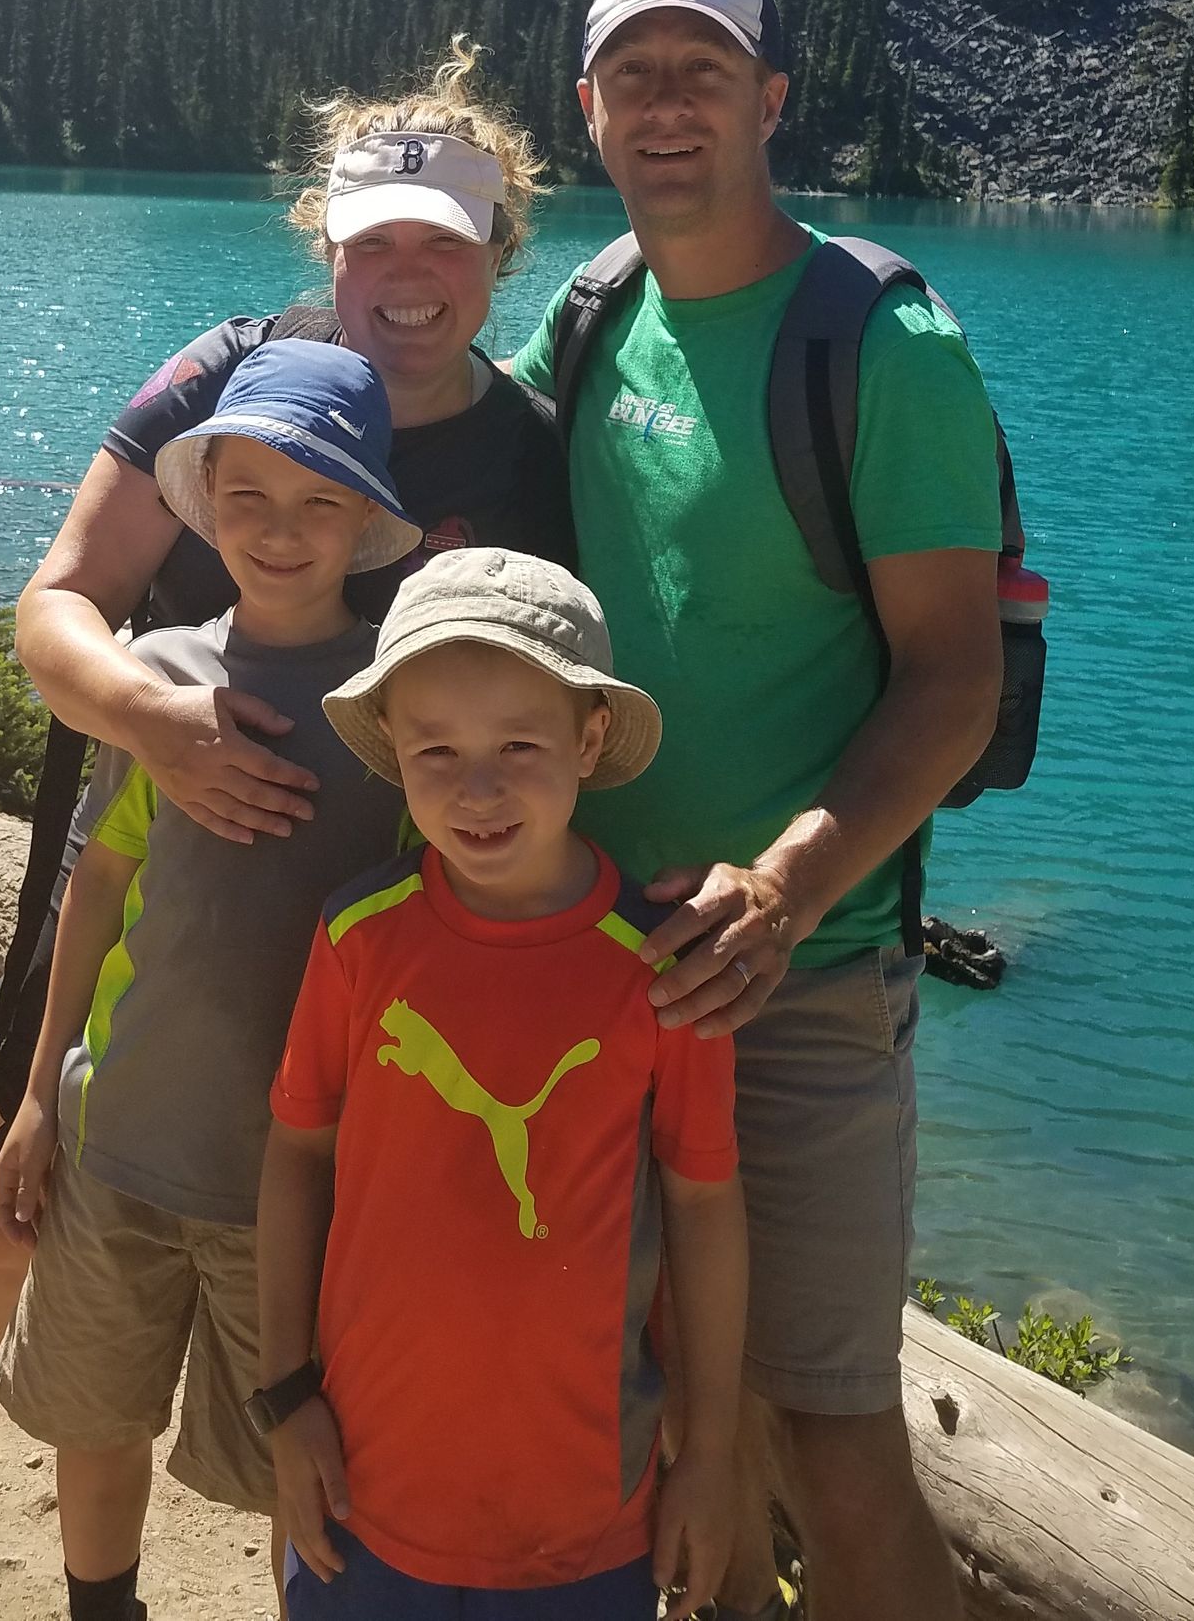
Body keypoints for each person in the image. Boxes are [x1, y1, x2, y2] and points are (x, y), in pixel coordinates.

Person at [0, 46, 572, 1621]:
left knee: (316, 1296)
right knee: (19, 1199)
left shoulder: (528, 450)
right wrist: (157, 719)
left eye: (446, 242)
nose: (407, 275)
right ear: (325, 236)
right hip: (145, 872)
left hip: (357, 952)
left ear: (499, 255)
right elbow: (59, 598)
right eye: (374, 238)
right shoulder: (224, 372)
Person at [508, 0, 1005, 1621]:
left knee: (829, 1437)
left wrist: (786, 890)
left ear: (770, 98)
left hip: (800, 978)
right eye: (633, 74)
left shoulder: (885, 342)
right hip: (594, 957)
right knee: (661, 1410)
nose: (667, 105)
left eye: (702, 71)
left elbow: (954, 677)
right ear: (588, 107)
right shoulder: (591, 315)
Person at [0, 341, 421, 1621]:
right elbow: (97, 889)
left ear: (367, 518)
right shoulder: (157, 678)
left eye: (318, 502)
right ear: (203, 504)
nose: (278, 531)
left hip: (291, 1184)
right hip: (116, 1135)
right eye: (247, 498)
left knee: (298, 1462)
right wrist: (37, 1094)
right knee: (94, 1416)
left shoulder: (397, 706)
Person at [258, 548, 746, 1621]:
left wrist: (709, 1456)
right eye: (435, 748)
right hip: (362, 1484)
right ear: (393, 748)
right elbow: (296, 1155)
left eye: (519, 745)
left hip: (586, 1513)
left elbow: (704, 1207)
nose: (476, 788)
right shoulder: (358, 936)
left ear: (589, 738)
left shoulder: (664, 965)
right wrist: (285, 1396)